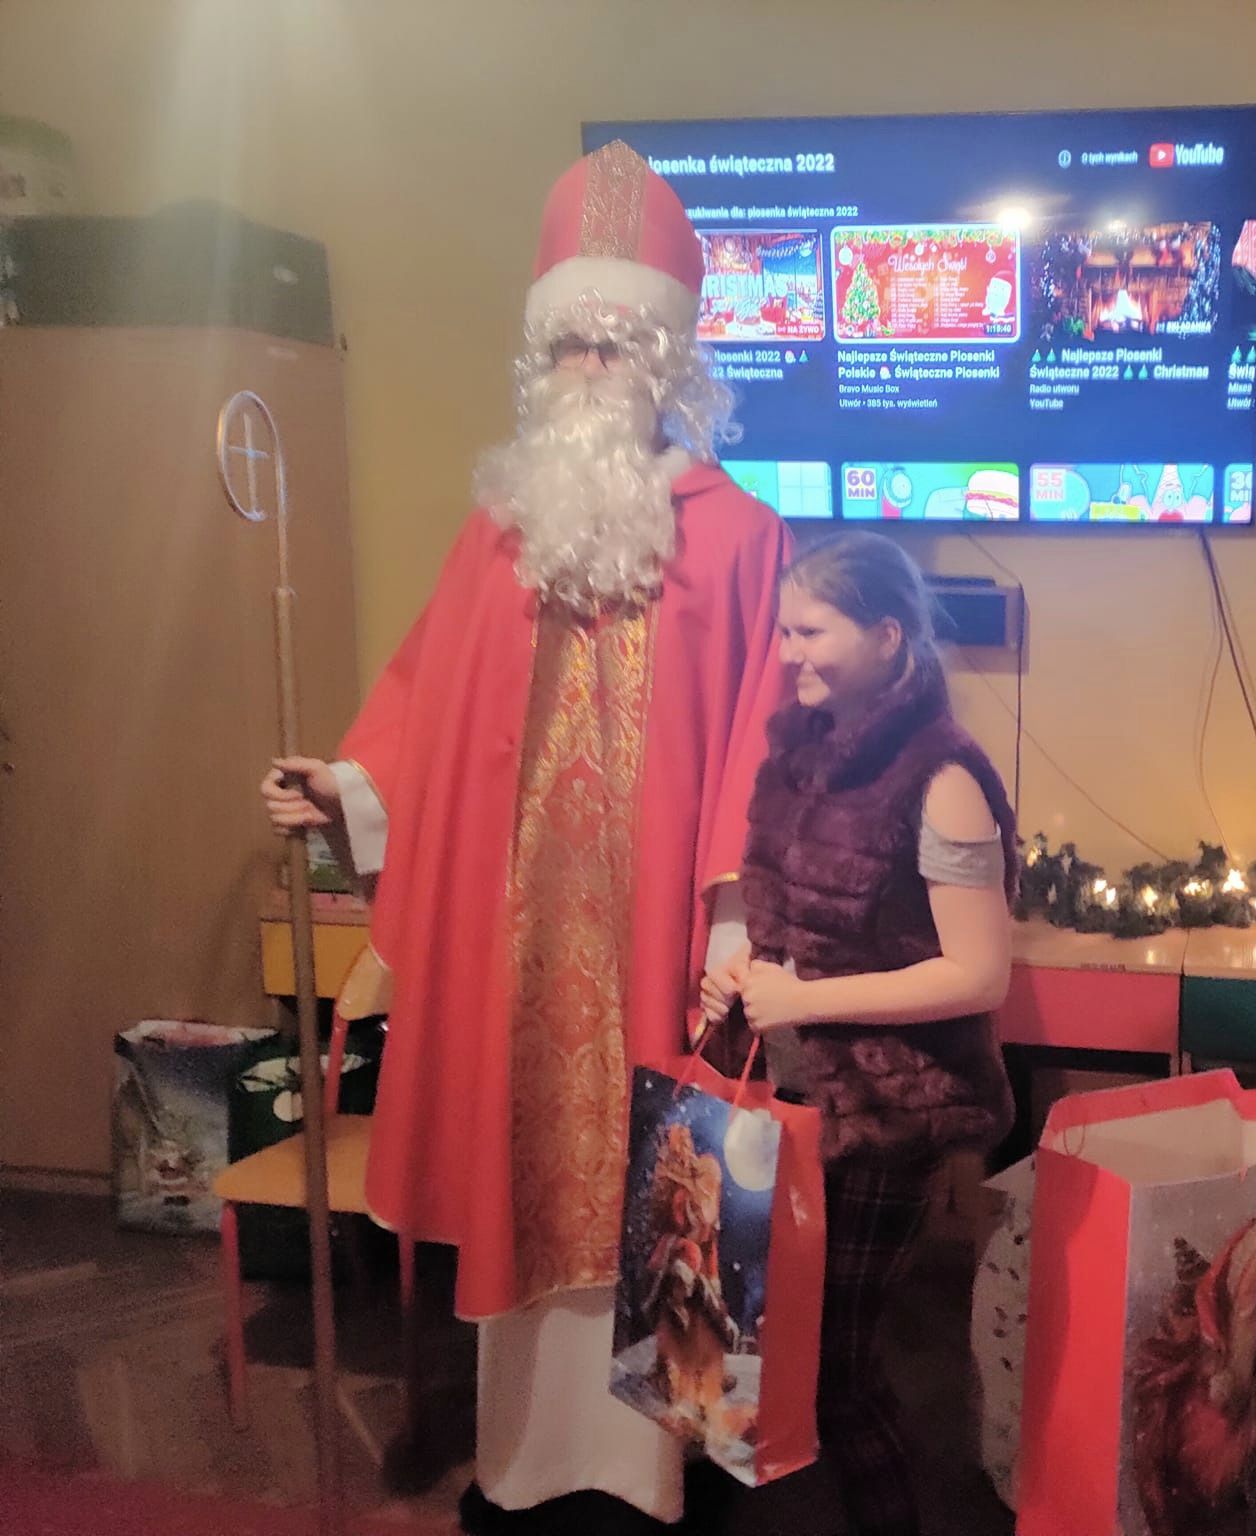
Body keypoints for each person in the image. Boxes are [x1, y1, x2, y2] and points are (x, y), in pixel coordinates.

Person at [259, 140, 789, 1534]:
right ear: (543, 357)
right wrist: (348, 785)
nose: (594, 367)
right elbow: (423, 705)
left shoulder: (741, 538)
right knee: (526, 1205)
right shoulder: (499, 535)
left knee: (668, 1204)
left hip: (657, 956)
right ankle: (526, 1469)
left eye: (620, 342)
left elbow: (760, 742)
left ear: (668, 360)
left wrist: (734, 920)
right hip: (522, 961)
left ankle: (658, 1475)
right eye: (572, 343)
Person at [700, 531, 1018, 1536]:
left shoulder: (944, 776)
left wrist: (806, 1001)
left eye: (811, 632)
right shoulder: (797, 751)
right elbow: (780, 912)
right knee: (749, 1350)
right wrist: (739, 968)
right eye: (784, 630)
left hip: (885, 1113)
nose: (787, 652)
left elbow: (978, 974)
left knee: (835, 1374)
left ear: (887, 637)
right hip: (784, 1098)